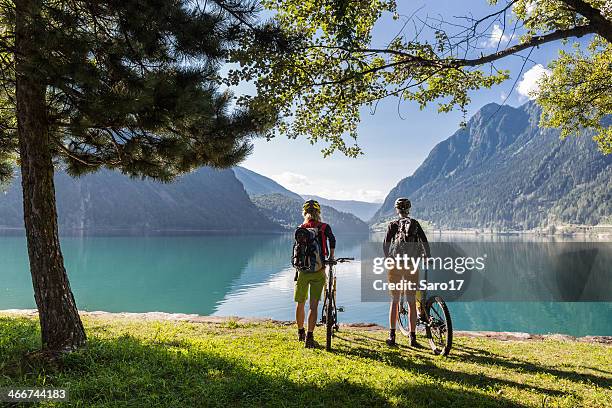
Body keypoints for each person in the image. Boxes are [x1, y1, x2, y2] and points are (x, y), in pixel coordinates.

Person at [383, 197, 430, 347]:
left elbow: (385, 245)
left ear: (397, 210)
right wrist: (427, 258)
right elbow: (424, 242)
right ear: (409, 209)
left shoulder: (392, 225)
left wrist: (388, 258)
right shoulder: (415, 224)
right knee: (411, 301)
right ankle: (412, 337)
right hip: (411, 265)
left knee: (395, 301)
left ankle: (392, 336)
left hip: (395, 265)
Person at [295, 199, 336, 348]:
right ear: (318, 213)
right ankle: (310, 337)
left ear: (304, 213)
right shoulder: (324, 227)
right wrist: (331, 257)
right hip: (318, 270)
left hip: (302, 271)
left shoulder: (301, 228)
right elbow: (332, 240)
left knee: (300, 303)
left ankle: (300, 332)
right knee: (313, 305)